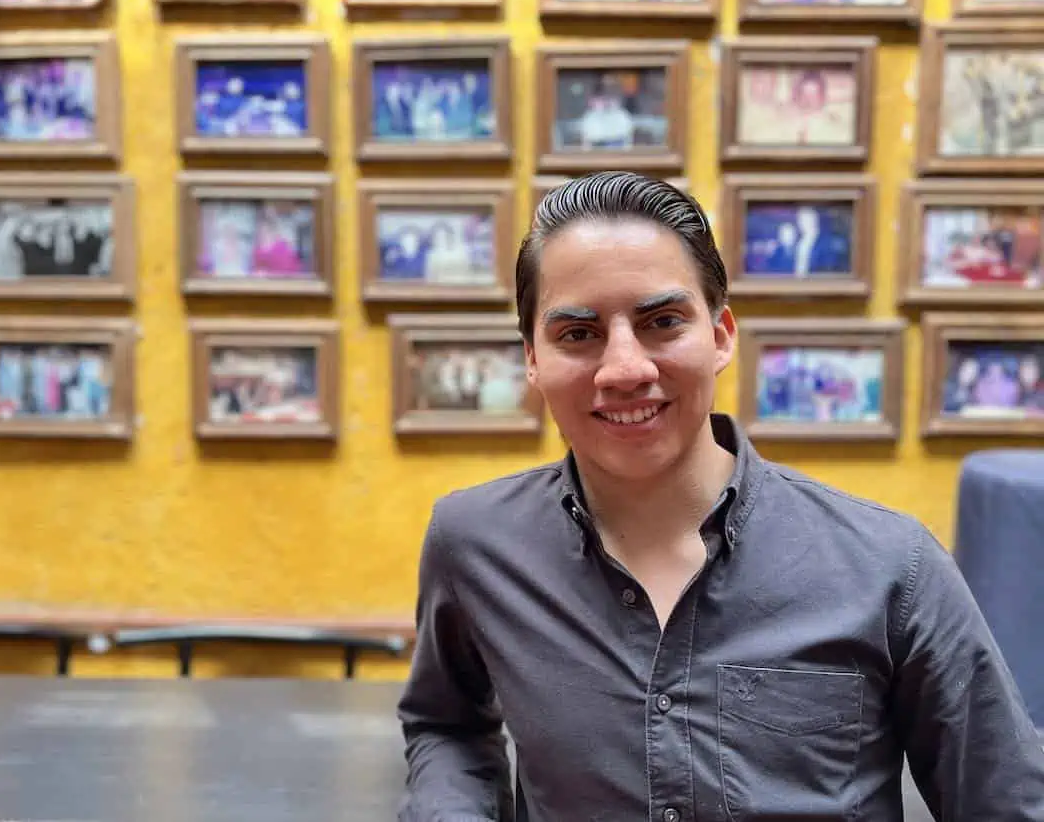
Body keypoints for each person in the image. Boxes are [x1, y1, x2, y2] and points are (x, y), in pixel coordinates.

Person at [396, 171, 1044, 821]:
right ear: (533, 358)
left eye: (662, 321)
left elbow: (1004, 800)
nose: (625, 368)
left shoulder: (890, 565)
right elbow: (446, 725)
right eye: (578, 334)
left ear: (720, 334)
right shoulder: (474, 544)